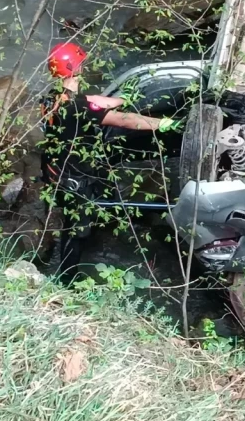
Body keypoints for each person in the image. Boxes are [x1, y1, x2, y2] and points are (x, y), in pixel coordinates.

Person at [41, 42, 179, 276]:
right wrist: (162, 124)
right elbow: (123, 120)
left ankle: (109, 221)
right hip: (76, 179)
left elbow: (95, 102)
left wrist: (123, 98)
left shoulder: (52, 99)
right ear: (75, 68)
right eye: (81, 63)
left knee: (100, 199)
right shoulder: (78, 107)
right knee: (77, 232)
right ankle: (66, 279)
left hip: (58, 171)